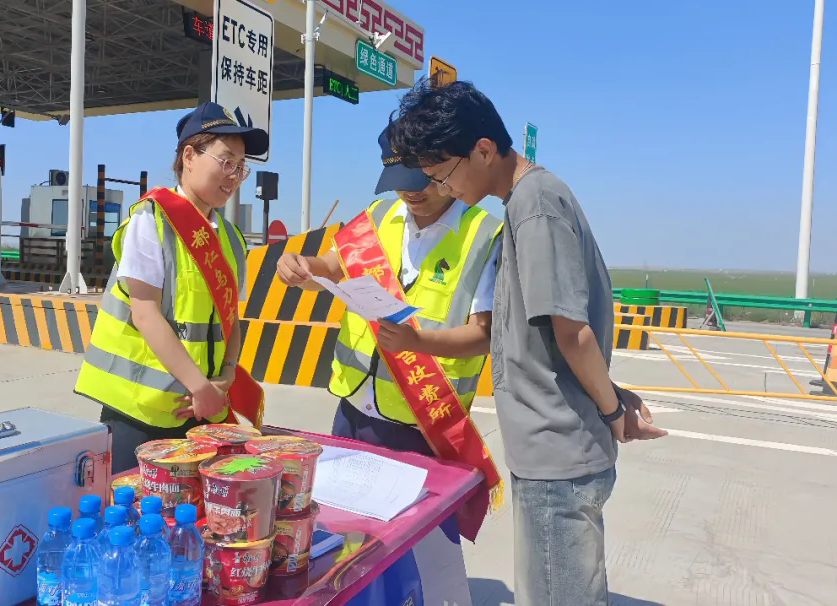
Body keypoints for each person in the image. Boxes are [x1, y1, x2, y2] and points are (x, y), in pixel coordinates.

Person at [388, 79, 666, 606]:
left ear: (484, 150)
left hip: (556, 456)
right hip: (550, 448)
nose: (442, 189)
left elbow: (570, 330)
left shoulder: (535, 204)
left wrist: (611, 411)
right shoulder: (525, 200)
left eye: (443, 174)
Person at [276, 120, 503, 605]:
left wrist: (419, 343)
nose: (409, 195)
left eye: (418, 182)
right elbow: (334, 267)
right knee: (343, 535)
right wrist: (302, 267)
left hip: (423, 421)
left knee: (412, 546)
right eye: (397, 183)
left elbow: (485, 334)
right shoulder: (381, 212)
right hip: (353, 409)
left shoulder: (485, 233)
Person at [75, 102, 268, 473]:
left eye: (240, 167)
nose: (233, 176)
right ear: (189, 156)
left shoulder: (230, 238)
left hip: (202, 407)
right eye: (226, 161)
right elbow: (145, 313)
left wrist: (226, 376)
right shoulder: (151, 221)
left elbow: (231, 318)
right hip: (139, 408)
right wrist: (201, 387)